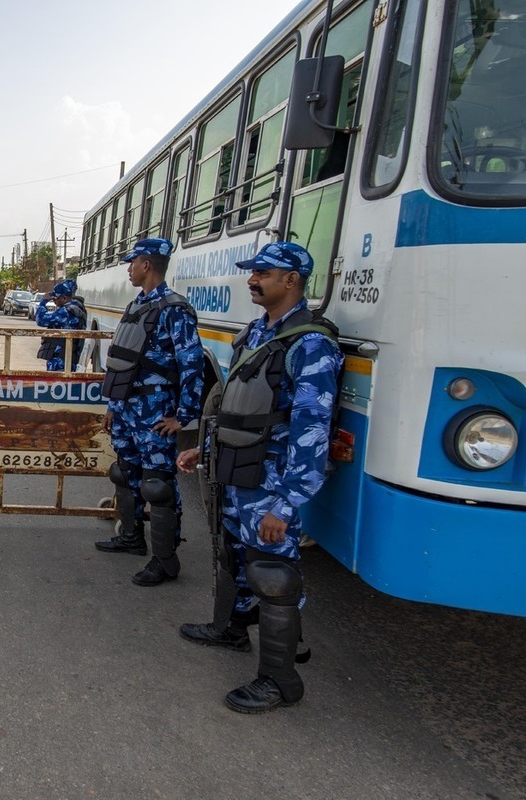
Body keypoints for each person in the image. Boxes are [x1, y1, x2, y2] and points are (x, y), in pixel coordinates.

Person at [176, 241, 342, 713]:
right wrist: (202, 451)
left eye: (264, 273)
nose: (253, 279)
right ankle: (230, 630)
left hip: (270, 481)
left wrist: (287, 504)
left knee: (273, 572)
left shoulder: (311, 344)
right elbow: (234, 405)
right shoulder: (254, 333)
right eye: (253, 272)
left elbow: (312, 431)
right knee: (234, 552)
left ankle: (280, 680)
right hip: (236, 469)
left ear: (292, 280)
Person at [95, 238, 204, 588]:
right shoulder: (137, 305)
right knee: (124, 473)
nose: (128, 268)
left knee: (157, 485)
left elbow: (192, 365)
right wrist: (113, 407)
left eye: (132, 262)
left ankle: (165, 561)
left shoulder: (175, 309)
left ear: (147, 264)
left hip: (156, 410)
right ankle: (130, 537)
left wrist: (183, 417)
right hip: (127, 408)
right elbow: (122, 361)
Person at [34, 278, 87, 371]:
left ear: (64, 298)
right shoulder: (77, 308)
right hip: (69, 357)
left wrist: (43, 302)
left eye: (56, 298)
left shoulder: (66, 311)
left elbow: (40, 320)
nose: (54, 301)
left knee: (56, 383)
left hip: (61, 359)